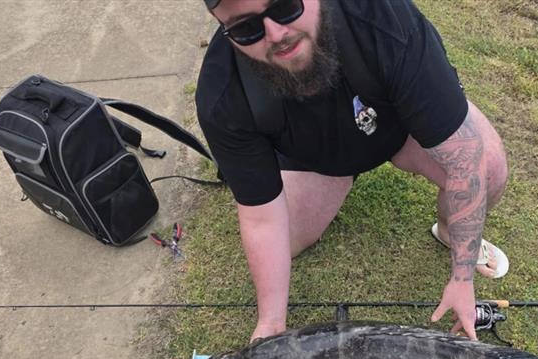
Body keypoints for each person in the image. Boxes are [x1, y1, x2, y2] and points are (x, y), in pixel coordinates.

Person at [196, 0, 509, 341]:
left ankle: (449, 230)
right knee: (284, 242)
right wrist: (271, 323)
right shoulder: (221, 94)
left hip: (401, 129)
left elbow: (465, 157)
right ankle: (338, 178)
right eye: (245, 28)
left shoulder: (383, 16)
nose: (275, 34)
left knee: (488, 168)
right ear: (223, 29)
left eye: (284, 6)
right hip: (315, 160)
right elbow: (261, 218)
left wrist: (462, 279)